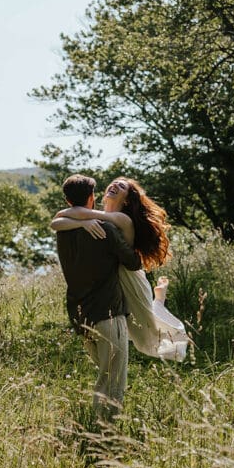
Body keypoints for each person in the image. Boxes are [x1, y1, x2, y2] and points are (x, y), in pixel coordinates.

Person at [52, 176, 189, 362]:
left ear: (126, 199)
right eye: (114, 183)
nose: (115, 184)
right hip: (114, 279)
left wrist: (80, 219)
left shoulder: (121, 219)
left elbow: (62, 216)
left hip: (130, 278)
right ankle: (158, 299)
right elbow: (58, 222)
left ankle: (159, 300)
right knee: (139, 325)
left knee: (149, 329)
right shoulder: (96, 217)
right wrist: (81, 222)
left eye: (122, 186)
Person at [54, 174, 142, 423]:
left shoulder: (64, 229)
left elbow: (58, 221)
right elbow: (134, 262)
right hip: (108, 315)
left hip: (80, 317)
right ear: (92, 198)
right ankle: (104, 435)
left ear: (67, 199)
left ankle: (96, 428)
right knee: (111, 381)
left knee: (104, 375)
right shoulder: (106, 229)